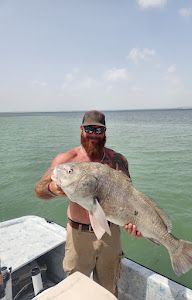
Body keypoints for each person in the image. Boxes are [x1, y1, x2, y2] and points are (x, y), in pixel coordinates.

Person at [35, 110, 141, 296]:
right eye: (89, 129)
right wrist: (52, 189)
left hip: (110, 235)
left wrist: (134, 224)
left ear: (105, 132)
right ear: (81, 129)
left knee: (108, 289)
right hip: (78, 236)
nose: (93, 134)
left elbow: (130, 198)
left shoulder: (117, 161)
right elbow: (39, 189)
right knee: (76, 291)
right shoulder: (67, 161)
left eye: (98, 130)